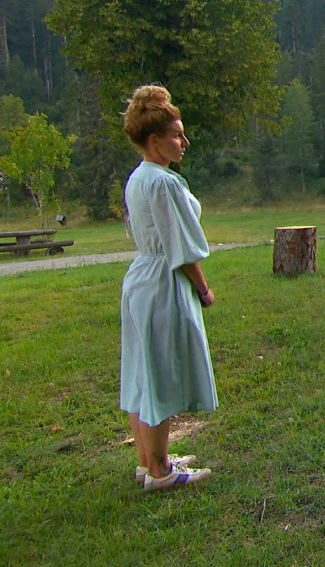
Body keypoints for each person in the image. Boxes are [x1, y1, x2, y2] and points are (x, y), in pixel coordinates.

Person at [120, 85, 217, 491]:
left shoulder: (141, 178)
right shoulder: (165, 184)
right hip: (163, 282)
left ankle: (148, 461)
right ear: (154, 140)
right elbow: (181, 245)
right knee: (158, 371)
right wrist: (203, 288)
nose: (184, 141)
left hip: (141, 277)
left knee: (142, 370)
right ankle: (161, 470)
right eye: (177, 135)